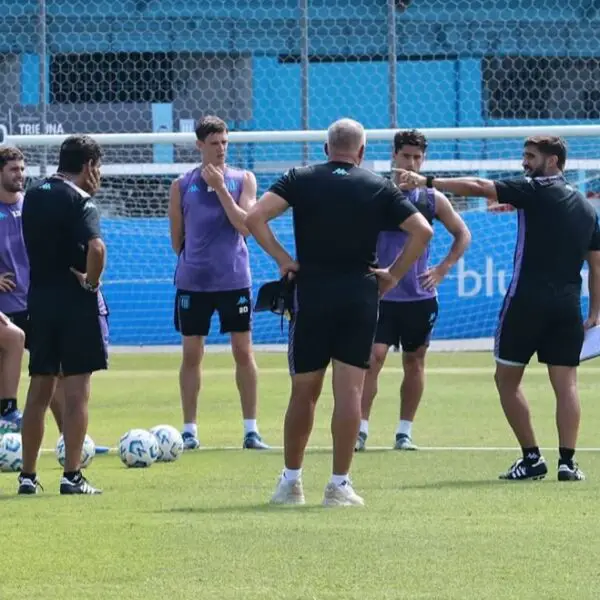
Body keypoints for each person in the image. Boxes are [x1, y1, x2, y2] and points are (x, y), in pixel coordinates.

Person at [245, 118, 433, 506]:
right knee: (350, 392)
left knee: (304, 392)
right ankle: (339, 485)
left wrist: (283, 259)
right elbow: (423, 231)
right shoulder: (377, 185)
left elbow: (254, 217)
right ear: (362, 152)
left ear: (325, 147)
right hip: (360, 295)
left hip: (312, 293)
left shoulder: (300, 177)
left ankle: (291, 482)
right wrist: (394, 275)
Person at [397, 135, 600, 481]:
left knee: (506, 380)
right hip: (567, 307)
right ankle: (568, 463)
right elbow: (596, 265)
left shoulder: (532, 190)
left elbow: (479, 186)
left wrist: (427, 181)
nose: (524, 163)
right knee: (566, 384)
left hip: (525, 302)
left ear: (552, 162)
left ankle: (532, 458)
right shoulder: (586, 207)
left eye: (530, 156)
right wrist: (595, 311)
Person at [356, 130, 471, 452]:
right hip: (382, 293)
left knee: (415, 361)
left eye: (417, 158)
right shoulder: (378, 194)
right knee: (373, 358)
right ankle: (360, 428)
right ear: (394, 156)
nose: (411, 163)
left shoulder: (433, 199)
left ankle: (404, 431)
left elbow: (462, 234)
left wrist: (444, 268)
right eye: (406, 156)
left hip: (419, 296)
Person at [168, 115, 269, 450]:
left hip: (234, 280)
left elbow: (245, 226)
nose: (221, 149)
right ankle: (190, 430)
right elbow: (176, 238)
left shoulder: (243, 180)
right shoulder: (182, 185)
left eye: (225, 143)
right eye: (214, 144)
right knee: (192, 354)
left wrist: (222, 189)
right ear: (200, 145)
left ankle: (251, 429)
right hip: (193, 282)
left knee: (243, 351)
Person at [0, 147, 109, 453]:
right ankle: (9, 411)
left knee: (49, 379)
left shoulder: (32, 200)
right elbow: (96, 248)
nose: (20, 175)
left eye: (23, 169)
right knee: (59, 380)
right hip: (22, 305)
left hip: (33, 300)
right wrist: (91, 281)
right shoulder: (66, 199)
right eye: (13, 169)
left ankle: (62, 449)